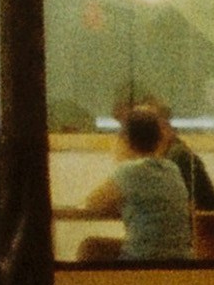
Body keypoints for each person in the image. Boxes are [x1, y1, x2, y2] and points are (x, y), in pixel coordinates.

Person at [80, 104, 197, 263]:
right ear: (158, 141)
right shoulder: (172, 168)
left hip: (143, 259)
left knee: (90, 247)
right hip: (182, 259)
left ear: (125, 141)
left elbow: (92, 204)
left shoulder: (129, 171)